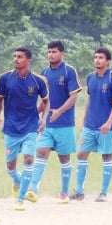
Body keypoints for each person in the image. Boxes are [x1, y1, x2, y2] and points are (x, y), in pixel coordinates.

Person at [0, 47, 49, 211]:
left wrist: (43, 119)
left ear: (28, 61)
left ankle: (21, 198)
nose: (16, 59)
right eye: (15, 56)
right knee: (10, 167)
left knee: (29, 158)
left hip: (31, 127)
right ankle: (17, 180)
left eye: (20, 57)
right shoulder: (5, 78)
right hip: (10, 128)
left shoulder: (38, 80)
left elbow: (46, 102)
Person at [25, 40, 82, 204]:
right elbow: (44, 100)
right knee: (41, 152)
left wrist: (59, 111)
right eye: (49, 52)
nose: (51, 55)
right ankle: (32, 189)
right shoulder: (44, 73)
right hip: (47, 124)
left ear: (62, 53)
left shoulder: (69, 71)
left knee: (64, 158)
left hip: (65, 123)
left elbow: (74, 97)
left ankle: (64, 193)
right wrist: (33, 114)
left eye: (54, 52)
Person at [70, 47, 112, 203]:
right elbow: (89, 100)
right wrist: (83, 121)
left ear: (108, 61)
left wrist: (109, 123)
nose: (97, 60)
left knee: (106, 156)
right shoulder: (90, 77)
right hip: (89, 125)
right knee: (81, 154)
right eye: (95, 57)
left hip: (105, 127)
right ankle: (79, 191)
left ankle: (103, 193)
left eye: (100, 57)